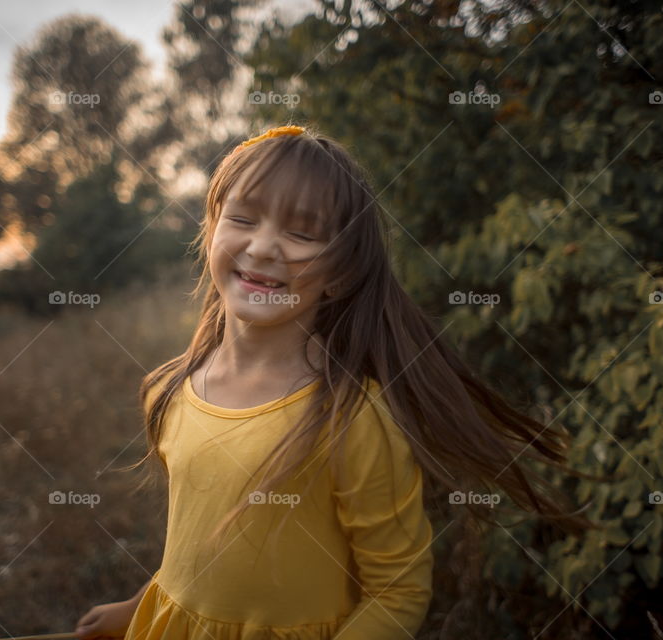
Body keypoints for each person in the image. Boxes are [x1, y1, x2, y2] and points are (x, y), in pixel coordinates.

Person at [75, 125, 593, 640]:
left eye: (302, 232)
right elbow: (200, 550)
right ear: (210, 232)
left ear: (341, 272)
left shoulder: (352, 417)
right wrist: (137, 607)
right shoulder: (170, 390)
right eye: (242, 218)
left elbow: (398, 591)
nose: (263, 246)